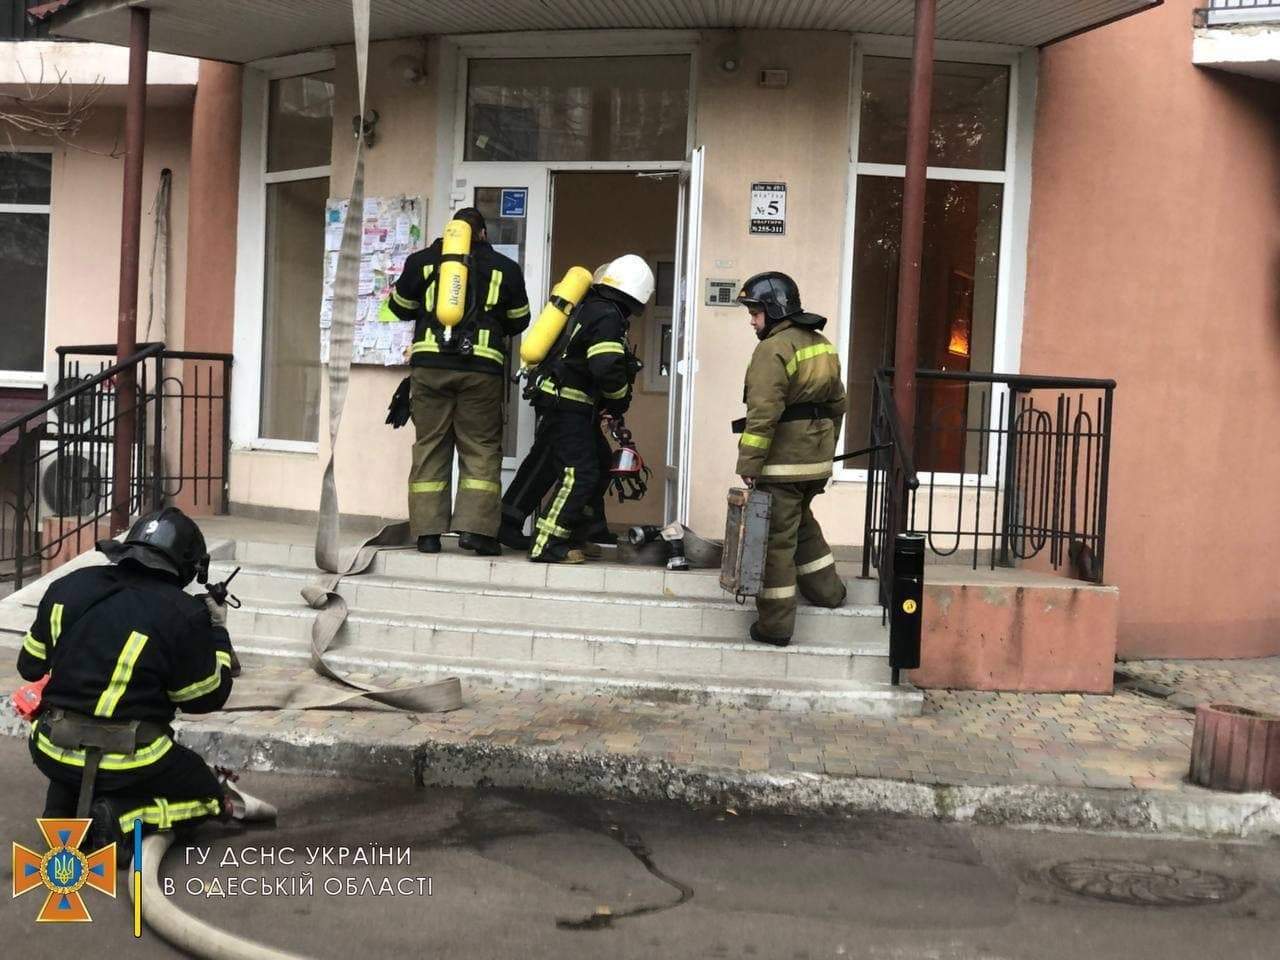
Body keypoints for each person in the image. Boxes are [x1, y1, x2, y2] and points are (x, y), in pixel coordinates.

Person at [16, 507, 254, 854]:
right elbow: (204, 697)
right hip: (134, 759)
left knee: (73, 770)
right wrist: (217, 631)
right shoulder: (184, 614)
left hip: (52, 746)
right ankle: (120, 817)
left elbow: (29, 665)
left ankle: (61, 815)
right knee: (205, 792)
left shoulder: (67, 587)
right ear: (188, 566)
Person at [386, 206, 531, 556]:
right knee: (480, 448)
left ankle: (428, 534)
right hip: (481, 373)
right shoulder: (505, 268)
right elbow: (519, 320)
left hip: (430, 370)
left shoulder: (422, 261)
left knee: (430, 446)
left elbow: (399, 307)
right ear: (481, 233)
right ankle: (476, 533)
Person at [501, 254, 652, 563]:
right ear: (638, 294)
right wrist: (619, 398)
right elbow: (605, 365)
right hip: (568, 404)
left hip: (561, 400)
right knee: (580, 472)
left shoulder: (589, 307)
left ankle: (515, 522)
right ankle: (549, 542)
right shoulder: (608, 316)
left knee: (565, 461)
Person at [734, 271, 848, 646]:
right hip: (814, 464)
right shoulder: (823, 345)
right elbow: (838, 405)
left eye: (755, 311)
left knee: (776, 544)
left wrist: (749, 467)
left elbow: (762, 415)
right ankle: (829, 592)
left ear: (773, 308)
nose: (752, 320)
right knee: (801, 525)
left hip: (782, 465)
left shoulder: (773, 348)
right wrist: (826, 453)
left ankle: (775, 626)